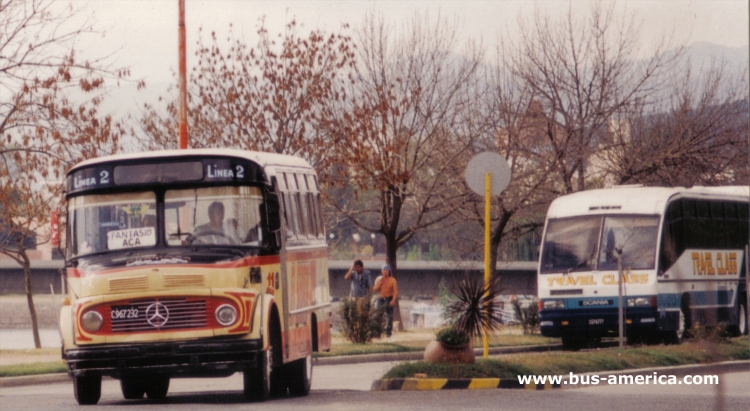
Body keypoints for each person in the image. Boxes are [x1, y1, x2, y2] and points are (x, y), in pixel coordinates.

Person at [373, 264, 398, 337]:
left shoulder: (392, 280)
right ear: (381, 271)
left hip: (389, 298)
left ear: (389, 271)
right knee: (378, 315)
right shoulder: (379, 279)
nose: (385, 272)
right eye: (384, 270)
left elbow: (395, 291)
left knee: (389, 316)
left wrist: (393, 300)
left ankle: (388, 333)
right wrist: (379, 284)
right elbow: (375, 289)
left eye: (387, 270)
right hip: (381, 299)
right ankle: (377, 332)